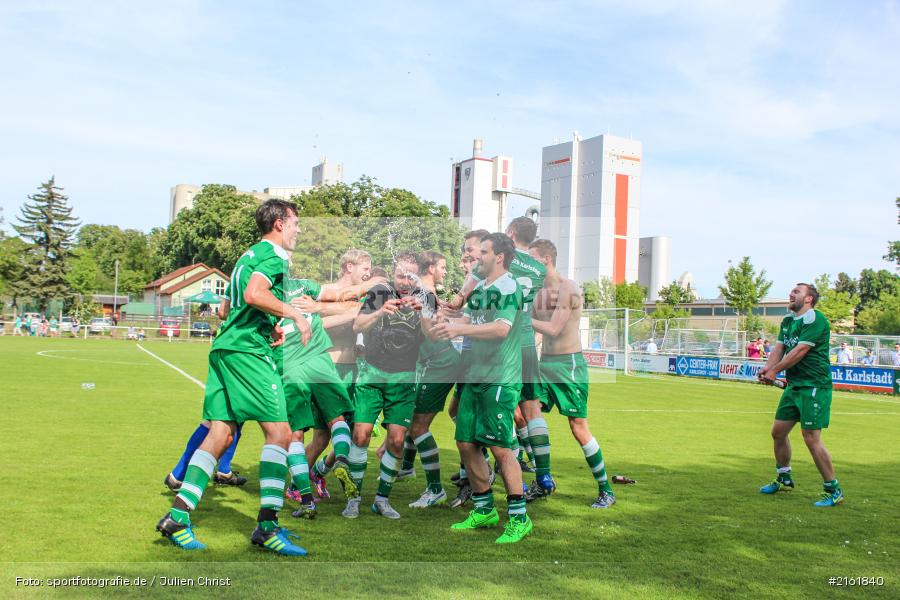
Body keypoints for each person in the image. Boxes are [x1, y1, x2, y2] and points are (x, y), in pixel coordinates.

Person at [155, 199, 311, 555]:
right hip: (247, 353)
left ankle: (177, 517)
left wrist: (268, 324)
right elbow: (255, 295)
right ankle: (267, 527)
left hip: (226, 347)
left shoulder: (248, 256)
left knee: (221, 433)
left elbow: (230, 307)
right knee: (281, 434)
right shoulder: (274, 257)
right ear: (278, 224)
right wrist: (294, 316)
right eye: (295, 223)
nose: (298, 229)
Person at [432, 232, 532, 544]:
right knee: (465, 443)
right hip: (474, 375)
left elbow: (501, 329)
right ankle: (484, 509)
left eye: (484, 253)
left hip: (499, 378)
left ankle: (519, 518)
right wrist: (440, 312)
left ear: (499, 256)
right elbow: (468, 317)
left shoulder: (508, 286)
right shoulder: (485, 288)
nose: (479, 258)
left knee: (502, 449)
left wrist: (459, 327)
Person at [529, 239, 617, 509]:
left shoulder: (568, 289)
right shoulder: (535, 291)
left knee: (578, 428)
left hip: (569, 366)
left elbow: (554, 329)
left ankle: (606, 489)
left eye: (531, 258)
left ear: (545, 259)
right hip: (544, 363)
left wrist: (518, 318)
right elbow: (534, 333)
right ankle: (543, 479)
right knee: (524, 413)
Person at [344, 252, 425, 519]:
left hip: (403, 380)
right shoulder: (380, 292)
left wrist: (426, 315)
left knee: (397, 441)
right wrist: (381, 311)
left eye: (410, 276)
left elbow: (435, 335)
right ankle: (353, 498)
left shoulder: (425, 298)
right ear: (393, 272)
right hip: (372, 376)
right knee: (361, 435)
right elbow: (357, 323)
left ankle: (381, 499)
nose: (405, 281)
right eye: (401, 275)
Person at [758, 283, 843, 507]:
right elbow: (779, 350)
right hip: (794, 386)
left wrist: (775, 371)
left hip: (814, 386)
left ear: (808, 299)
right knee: (778, 432)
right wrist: (768, 369)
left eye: (797, 291)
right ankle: (784, 477)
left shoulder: (816, 319)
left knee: (811, 438)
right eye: (791, 290)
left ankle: (833, 489)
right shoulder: (787, 322)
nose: (791, 293)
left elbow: (800, 351)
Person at [308, 249, 379, 499]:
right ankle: (299, 485)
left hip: (353, 371)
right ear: (349, 267)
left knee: (348, 433)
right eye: (364, 268)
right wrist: (353, 312)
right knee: (322, 436)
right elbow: (316, 319)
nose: (368, 273)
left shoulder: (361, 296)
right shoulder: (326, 290)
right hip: (330, 369)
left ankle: (319, 472)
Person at [403, 251, 461, 509]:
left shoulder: (423, 294)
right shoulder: (425, 292)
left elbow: (430, 333)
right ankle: (405, 467)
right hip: (441, 361)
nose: (445, 271)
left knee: (417, 426)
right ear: (430, 268)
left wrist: (426, 317)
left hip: (438, 362)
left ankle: (435, 489)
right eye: (443, 266)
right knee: (418, 421)